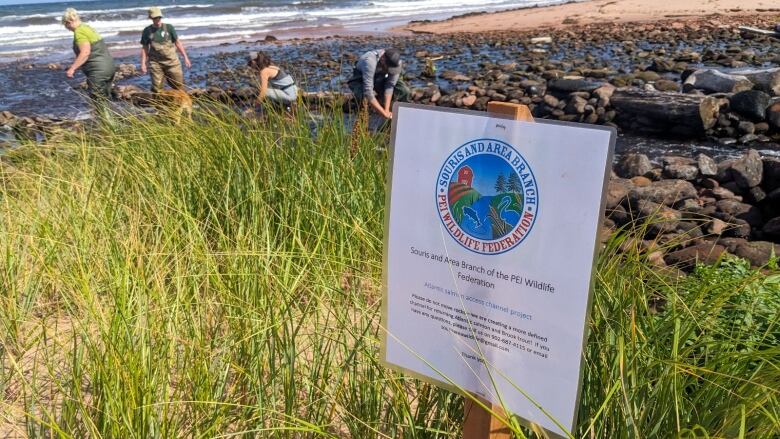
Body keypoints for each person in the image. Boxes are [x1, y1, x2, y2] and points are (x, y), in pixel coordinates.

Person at [62, 8, 116, 112]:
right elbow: (93, 51)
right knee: (105, 98)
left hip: (98, 71)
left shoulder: (79, 32)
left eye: (66, 25)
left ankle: (108, 125)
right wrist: (75, 65)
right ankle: (113, 124)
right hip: (109, 67)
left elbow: (85, 52)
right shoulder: (87, 28)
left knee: (98, 100)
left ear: (69, 22)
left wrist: (72, 69)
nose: (67, 28)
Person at [347, 48, 409, 120]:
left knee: (403, 91)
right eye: (389, 68)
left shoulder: (397, 63)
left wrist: (387, 110)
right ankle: (363, 113)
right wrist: (383, 113)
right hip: (361, 80)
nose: (391, 70)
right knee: (365, 98)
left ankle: (398, 115)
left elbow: (390, 86)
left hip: (381, 79)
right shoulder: (369, 61)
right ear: (382, 59)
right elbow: (368, 92)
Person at [140, 6, 191, 92]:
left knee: (179, 85)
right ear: (151, 18)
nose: (158, 19)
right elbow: (145, 48)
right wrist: (143, 64)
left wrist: (185, 57)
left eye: (159, 17)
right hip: (156, 63)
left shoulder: (169, 28)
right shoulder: (147, 31)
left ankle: (182, 103)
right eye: (155, 17)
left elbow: (177, 43)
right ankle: (160, 104)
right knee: (157, 88)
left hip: (172, 62)